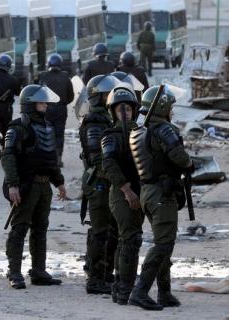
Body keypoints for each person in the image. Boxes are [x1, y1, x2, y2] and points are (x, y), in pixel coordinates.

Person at [128, 85, 194, 310]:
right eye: (171, 107)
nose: (173, 112)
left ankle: (164, 293)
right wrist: (190, 163)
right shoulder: (163, 130)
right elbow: (180, 157)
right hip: (161, 194)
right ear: (163, 106)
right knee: (163, 245)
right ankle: (140, 291)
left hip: (148, 192)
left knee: (163, 244)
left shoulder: (140, 130)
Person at [2, 84, 67, 289]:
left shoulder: (47, 126)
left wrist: (59, 182)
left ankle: (39, 271)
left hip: (44, 185)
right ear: (29, 104)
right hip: (26, 186)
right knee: (20, 228)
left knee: (41, 228)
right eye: (41, 102)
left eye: (45, 101)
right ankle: (14, 272)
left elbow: (50, 158)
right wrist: (13, 185)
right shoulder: (17, 128)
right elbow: (8, 157)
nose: (45, 105)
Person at [79, 74, 121, 294]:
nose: (111, 98)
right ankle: (95, 279)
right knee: (101, 231)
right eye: (107, 94)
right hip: (99, 183)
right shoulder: (95, 121)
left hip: (107, 181)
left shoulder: (107, 117)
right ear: (97, 97)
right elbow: (98, 157)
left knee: (111, 230)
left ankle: (105, 273)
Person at [101, 86, 144, 305]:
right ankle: (125, 287)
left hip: (142, 190)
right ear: (113, 112)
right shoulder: (110, 136)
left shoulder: (141, 132)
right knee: (130, 238)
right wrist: (126, 189)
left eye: (128, 109)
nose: (125, 113)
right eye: (121, 110)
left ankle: (121, 284)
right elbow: (108, 163)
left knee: (129, 238)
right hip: (121, 192)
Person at [38, 53, 74, 167]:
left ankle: (46, 158)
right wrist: (63, 103)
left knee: (45, 132)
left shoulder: (43, 76)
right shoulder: (65, 77)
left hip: (46, 108)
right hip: (61, 109)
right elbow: (71, 96)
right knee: (59, 134)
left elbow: (39, 93)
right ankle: (58, 158)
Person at [0, 54, 21, 162]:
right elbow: (18, 93)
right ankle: (5, 150)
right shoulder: (13, 79)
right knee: (6, 130)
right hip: (7, 108)